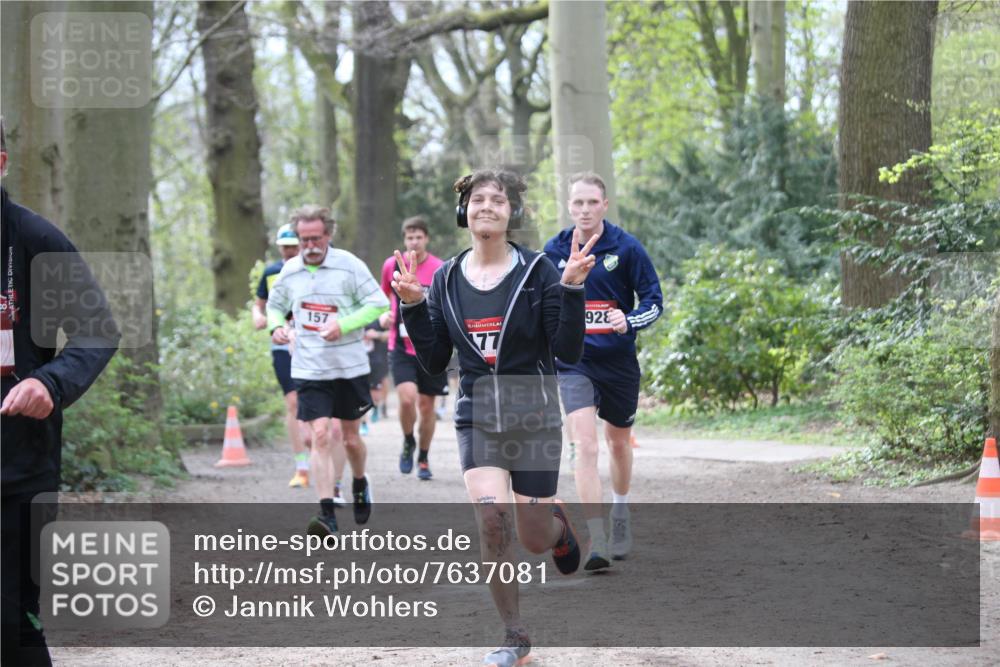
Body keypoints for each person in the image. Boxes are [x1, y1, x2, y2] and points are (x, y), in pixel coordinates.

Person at [396, 169, 598, 667]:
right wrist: (416, 308)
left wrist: (572, 291)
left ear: (513, 213)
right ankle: (514, 636)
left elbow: (568, 349)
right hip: (478, 417)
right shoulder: (443, 280)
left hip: (534, 416)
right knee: (491, 521)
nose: (487, 206)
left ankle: (558, 528)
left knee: (531, 539)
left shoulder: (540, 271)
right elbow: (433, 359)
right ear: (463, 211)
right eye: (478, 199)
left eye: (498, 201)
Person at [1, 117, 120, 666]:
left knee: (16, 623)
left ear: (2, 164)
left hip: (17, 465)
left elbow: (97, 329)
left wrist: (48, 381)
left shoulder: (34, 241)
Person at [543, 172, 663, 570]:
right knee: (585, 446)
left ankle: (620, 511)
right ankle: (597, 538)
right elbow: (542, 304)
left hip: (618, 362)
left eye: (592, 203)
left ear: (605, 205)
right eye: (578, 203)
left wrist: (628, 321)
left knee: (617, 443)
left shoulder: (626, 248)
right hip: (573, 363)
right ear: (569, 205)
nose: (584, 210)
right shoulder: (554, 249)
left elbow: (653, 300)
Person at [266, 205, 388, 536]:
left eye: (316, 238)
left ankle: (360, 482)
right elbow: (274, 307)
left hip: (348, 367)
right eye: (304, 239)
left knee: (349, 439)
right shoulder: (289, 271)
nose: (310, 245)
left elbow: (379, 304)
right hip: (308, 366)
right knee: (319, 435)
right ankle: (326, 514)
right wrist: (277, 327)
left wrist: (344, 324)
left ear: (328, 235)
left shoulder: (349, 266)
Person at [253, 223, 348, 499]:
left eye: (293, 247)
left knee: (327, 420)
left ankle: (334, 474)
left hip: (319, 347)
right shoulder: (272, 272)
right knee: (293, 403)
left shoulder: (320, 271)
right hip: (284, 346)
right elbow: (261, 303)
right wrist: (259, 317)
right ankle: (301, 466)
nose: (289, 252)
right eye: (284, 248)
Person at [379, 216, 447, 480]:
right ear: (404, 240)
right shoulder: (391, 265)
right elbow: (384, 296)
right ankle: (409, 440)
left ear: (426, 239)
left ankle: (424, 457)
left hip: (430, 347)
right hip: (401, 346)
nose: (414, 242)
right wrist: (386, 314)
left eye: (419, 237)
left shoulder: (440, 268)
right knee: (407, 399)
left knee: (427, 406)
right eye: (409, 237)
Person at [360, 320, 389, 436]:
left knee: (375, 393)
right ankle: (363, 423)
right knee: (361, 392)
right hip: (359, 360)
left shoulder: (380, 316)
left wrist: (376, 335)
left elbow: (391, 334)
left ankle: (376, 407)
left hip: (377, 360)